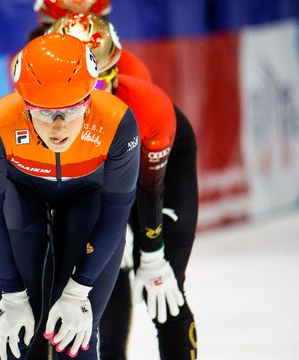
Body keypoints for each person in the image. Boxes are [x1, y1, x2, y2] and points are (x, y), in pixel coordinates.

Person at [0, 33, 140, 360]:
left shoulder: (117, 122)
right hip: (21, 196)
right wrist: (12, 295)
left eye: (73, 109)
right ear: (25, 104)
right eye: (45, 112)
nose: (59, 127)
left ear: (90, 99)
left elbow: (117, 211)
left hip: (87, 198)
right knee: (10, 340)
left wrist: (79, 289)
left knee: (74, 340)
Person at [40, 13, 199, 360]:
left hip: (156, 170)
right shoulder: (45, 115)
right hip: (103, 180)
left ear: (115, 73)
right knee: (94, 274)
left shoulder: (145, 103)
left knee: (164, 289)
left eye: (97, 86)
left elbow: (150, 184)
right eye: (73, 94)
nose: (89, 103)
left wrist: (152, 251)